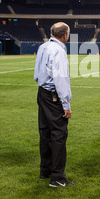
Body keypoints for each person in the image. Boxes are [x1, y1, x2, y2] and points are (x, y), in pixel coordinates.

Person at [34, 22, 74, 187]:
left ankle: (46, 170)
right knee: (58, 134)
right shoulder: (58, 50)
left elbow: (37, 73)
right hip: (53, 97)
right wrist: (66, 104)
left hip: (42, 93)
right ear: (64, 35)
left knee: (45, 133)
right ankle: (57, 177)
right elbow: (61, 79)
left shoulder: (44, 47)